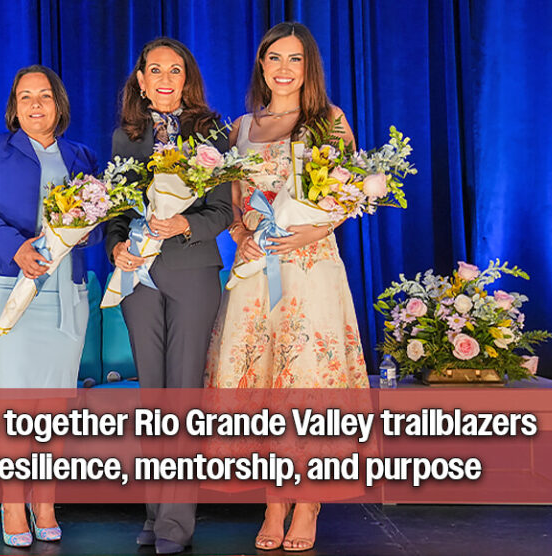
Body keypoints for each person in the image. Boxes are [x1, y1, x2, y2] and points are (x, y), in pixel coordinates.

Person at [204, 22, 370, 552]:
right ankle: (274, 499)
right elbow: (233, 203)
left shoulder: (330, 121)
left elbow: (346, 196)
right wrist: (240, 238)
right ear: (261, 65)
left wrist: (314, 229)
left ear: (308, 67)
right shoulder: (242, 127)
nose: (282, 68)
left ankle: (308, 501)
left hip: (310, 265)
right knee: (264, 380)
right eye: (273, 58)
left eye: (294, 59)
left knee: (306, 381)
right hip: (256, 271)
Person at [104, 37, 232, 555]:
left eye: (174, 70)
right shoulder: (124, 137)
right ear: (140, 79)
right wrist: (115, 247)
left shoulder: (213, 132)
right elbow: (113, 210)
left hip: (192, 271)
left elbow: (223, 211)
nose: (163, 78)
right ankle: (156, 512)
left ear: (186, 78)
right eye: (153, 69)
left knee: (183, 396)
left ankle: (176, 522)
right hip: (139, 280)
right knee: (151, 399)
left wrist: (184, 222)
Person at [0, 65, 97, 548]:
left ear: (59, 103)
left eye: (44, 96)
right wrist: (17, 247)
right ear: (13, 107)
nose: (35, 105)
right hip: (3, 286)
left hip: (66, 293)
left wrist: (80, 227)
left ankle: (45, 502)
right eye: (25, 97)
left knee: (56, 406)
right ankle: (12, 504)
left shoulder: (82, 155)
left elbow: (97, 224)